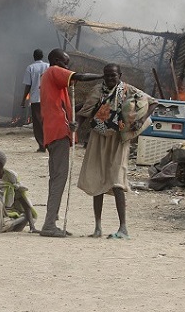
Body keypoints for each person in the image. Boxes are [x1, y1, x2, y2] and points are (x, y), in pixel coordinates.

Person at [77, 64, 156, 239]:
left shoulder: (129, 90)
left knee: (117, 179)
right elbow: (85, 111)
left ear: (119, 75)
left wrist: (140, 120)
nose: (110, 79)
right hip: (98, 136)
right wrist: (75, 128)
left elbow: (152, 102)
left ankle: (123, 228)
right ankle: (97, 227)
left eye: (113, 76)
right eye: (107, 76)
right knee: (97, 177)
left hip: (119, 139)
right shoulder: (98, 90)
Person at [38, 48, 106, 238]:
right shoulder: (53, 71)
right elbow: (81, 76)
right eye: (65, 62)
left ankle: (52, 220)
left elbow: (63, 107)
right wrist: (102, 75)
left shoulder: (53, 82)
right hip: (58, 132)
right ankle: (49, 224)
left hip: (57, 131)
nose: (67, 67)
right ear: (56, 61)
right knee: (59, 178)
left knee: (56, 178)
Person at [21, 49, 49, 152]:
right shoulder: (49, 66)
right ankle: (48, 143)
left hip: (36, 98)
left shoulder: (30, 68)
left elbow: (28, 85)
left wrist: (23, 99)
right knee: (47, 121)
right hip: (48, 98)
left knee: (37, 123)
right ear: (42, 56)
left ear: (34, 56)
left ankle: (42, 145)